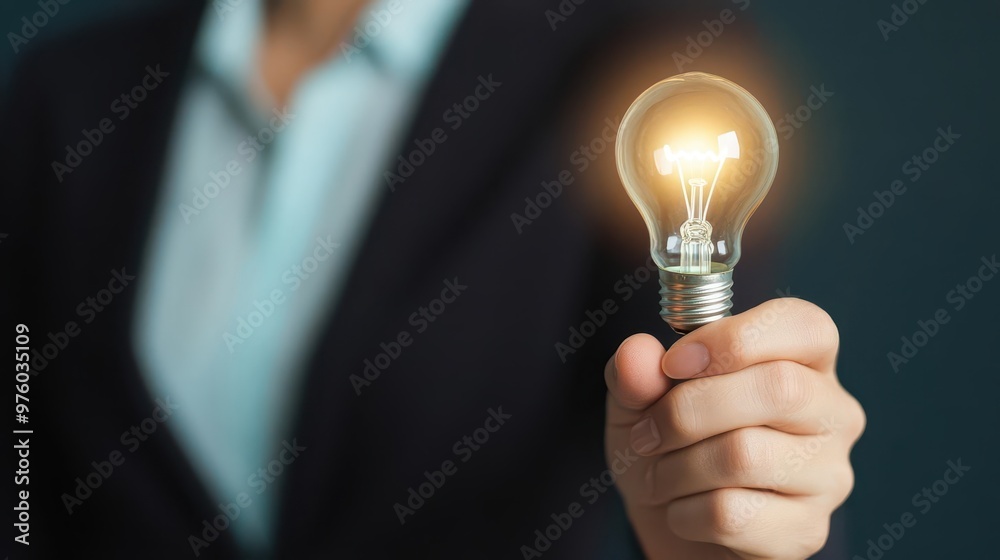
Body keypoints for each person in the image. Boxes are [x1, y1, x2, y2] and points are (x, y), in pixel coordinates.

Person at [1, 0, 864, 558]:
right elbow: (24, 465)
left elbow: (713, 435)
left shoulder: (638, 62)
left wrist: (736, 515)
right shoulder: (68, 95)